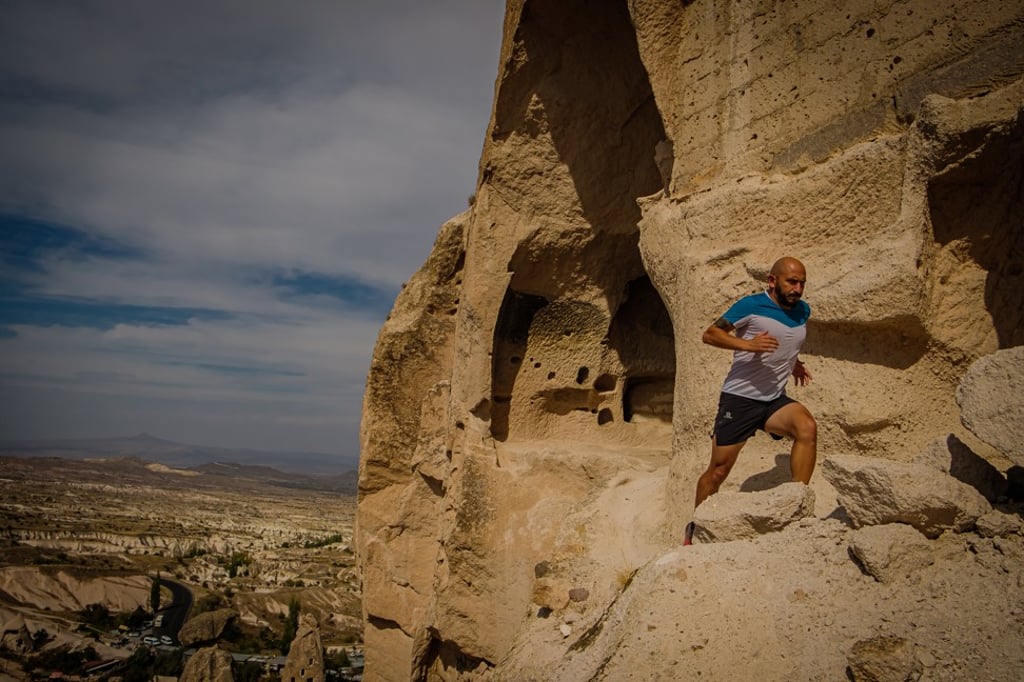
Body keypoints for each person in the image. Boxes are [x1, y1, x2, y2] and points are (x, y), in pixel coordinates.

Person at [684, 256, 817, 545]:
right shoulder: (750, 306)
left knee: (807, 428)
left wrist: (794, 363)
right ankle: (695, 530)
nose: (798, 288)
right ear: (772, 281)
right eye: (791, 282)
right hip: (740, 400)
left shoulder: (802, 311)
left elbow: (787, 340)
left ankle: (798, 509)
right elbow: (710, 334)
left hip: (772, 400)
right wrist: (748, 344)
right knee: (718, 471)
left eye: (802, 283)